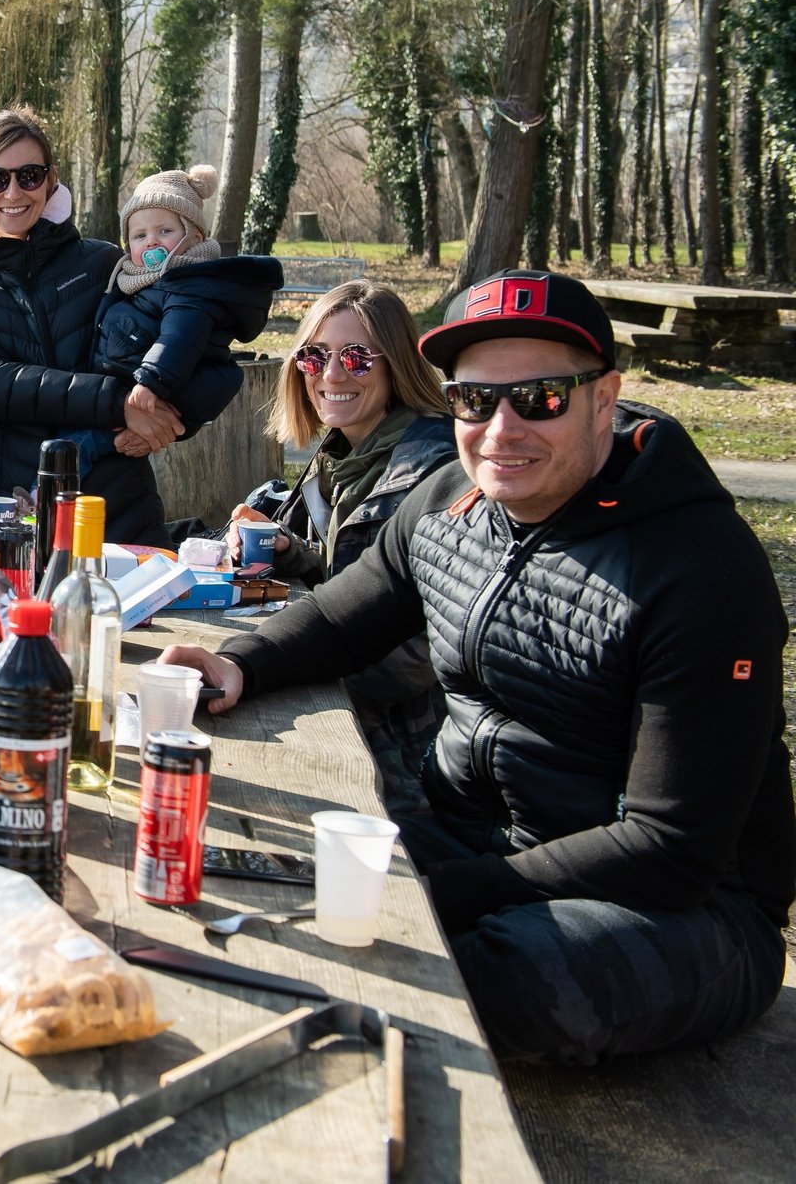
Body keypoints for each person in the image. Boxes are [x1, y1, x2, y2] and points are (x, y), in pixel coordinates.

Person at [161, 270, 793, 1065]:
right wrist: (238, 663)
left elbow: (671, 846)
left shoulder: (701, 569)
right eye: (474, 400)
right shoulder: (450, 498)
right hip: (470, 838)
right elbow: (338, 615)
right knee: (257, 867)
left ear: (605, 398)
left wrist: (440, 895)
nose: (501, 430)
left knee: (499, 976)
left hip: (679, 909)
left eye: (540, 398)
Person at [225, 280, 457, 813]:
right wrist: (291, 551)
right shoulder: (344, 455)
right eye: (314, 356)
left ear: (396, 364)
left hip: (405, 749)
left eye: (356, 357)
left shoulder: (433, 472)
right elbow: (359, 576)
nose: (332, 375)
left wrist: (296, 670)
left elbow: (426, 648)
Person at [0, 105, 177, 544]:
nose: (13, 192)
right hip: (7, 508)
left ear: (52, 178)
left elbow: (181, 341)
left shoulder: (105, 265)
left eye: (29, 175)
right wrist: (120, 405)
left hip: (115, 504)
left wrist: (167, 423)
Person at [60, 164, 278, 478]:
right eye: (139, 235)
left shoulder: (188, 288)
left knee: (74, 450)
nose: (150, 242)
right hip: (120, 397)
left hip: (146, 395)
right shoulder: (135, 283)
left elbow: (179, 338)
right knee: (73, 444)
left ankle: (42, 499)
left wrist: (151, 380)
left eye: (164, 231)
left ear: (194, 237)